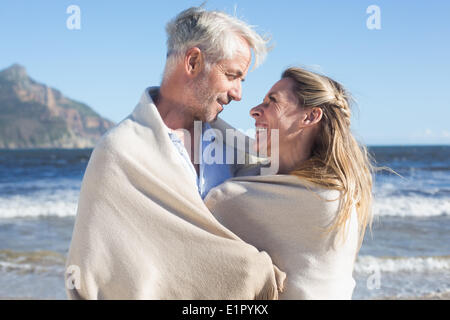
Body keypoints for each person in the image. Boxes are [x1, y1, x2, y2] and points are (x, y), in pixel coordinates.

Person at [65, 6, 285, 299]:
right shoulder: (119, 152)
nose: (238, 93)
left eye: (241, 80)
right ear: (193, 61)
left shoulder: (237, 148)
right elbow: (92, 273)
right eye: (232, 75)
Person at [204, 67, 374, 299]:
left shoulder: (323, 198)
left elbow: (220, 203)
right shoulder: (337, 188)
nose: (254, 111)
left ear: (310, 116)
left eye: (272, 102)